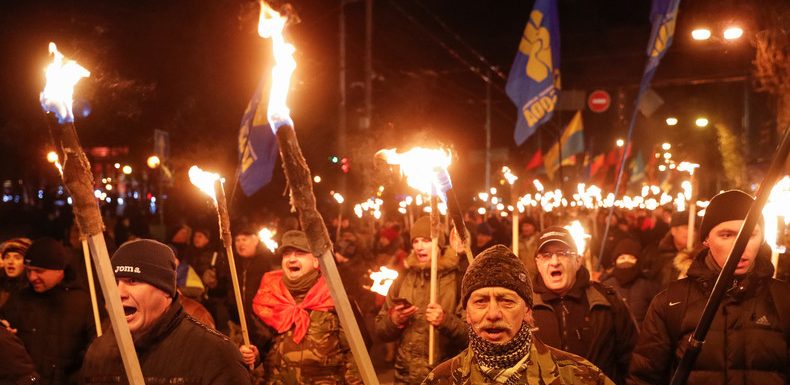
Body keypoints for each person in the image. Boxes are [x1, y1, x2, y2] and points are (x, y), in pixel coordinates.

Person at [628, 190, 790, 385]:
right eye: (726, 235)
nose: (740, 246)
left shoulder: (783, 299)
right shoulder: (672, 303)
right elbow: (644, 378)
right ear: (706, 239)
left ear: (762, 237)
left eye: (750, 234)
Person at [422, 245, 613, 384]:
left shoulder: (580, 376)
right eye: (481, 302)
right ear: (468, 313)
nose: (493, 314)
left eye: (506, 301)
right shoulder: (441, 380)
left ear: (527, 311)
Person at [79, 239, 251, 384]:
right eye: (114, 282)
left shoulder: (216, 355)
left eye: (132, 281)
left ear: (165, 291)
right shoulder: (99, 350)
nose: (118, 293)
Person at [241, 230, 362, 384]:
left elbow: (355, 354)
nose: (292, 259)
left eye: (300, 253)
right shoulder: (269, 299)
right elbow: (260, 346)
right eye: (287, 254)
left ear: (316, 261)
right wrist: (252, 354)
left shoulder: (335, 299)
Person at [531, 227, 637, 384]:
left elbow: (633, 358)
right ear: (538, 263)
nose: (554, 262)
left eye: (562, 254)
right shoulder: (523, 306)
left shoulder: (606, 300)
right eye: (546, 255)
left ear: (577, 261)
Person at [375, 216, 467, 385]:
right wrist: (394, 320)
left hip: (443, 376)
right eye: (415, 241)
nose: (419, 246)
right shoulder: (402, 278)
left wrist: (445, 321)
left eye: (426, 240)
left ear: (439, 244)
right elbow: (380, 329)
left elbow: (473, 335)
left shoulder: (458, 280)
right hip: (405, 376)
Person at [0, 237, 94, 385]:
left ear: (59, 270)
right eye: (29, 271)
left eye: (39, 271)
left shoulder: (83, 303)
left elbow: (94, 350)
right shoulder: (18, 299)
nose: (32, 277)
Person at [602, 238, 660, 325]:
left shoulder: (648, 286)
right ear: (615, 262)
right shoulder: (606, 286)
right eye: (622, 258)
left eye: (631, 258)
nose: (626, 261)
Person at [641, 211, 696, 288]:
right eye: (686, 228)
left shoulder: (699, 255)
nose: (692, 232)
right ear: (673, 231)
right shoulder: (655, 253)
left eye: (694, 229)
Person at [0, 237, 31, 308]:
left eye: (17, 258)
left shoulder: (32, 289)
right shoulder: (2, 285)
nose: (10, 262)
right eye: (7, 257)